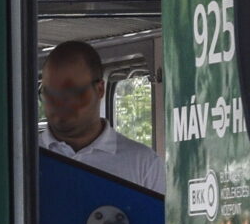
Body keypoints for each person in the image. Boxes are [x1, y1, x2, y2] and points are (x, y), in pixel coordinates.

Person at [37, 40, 166, 195]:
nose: (58, 103)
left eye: (71, 92)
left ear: (99, 89)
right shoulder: (21, 159)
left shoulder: (143, 164)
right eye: (49, 93)